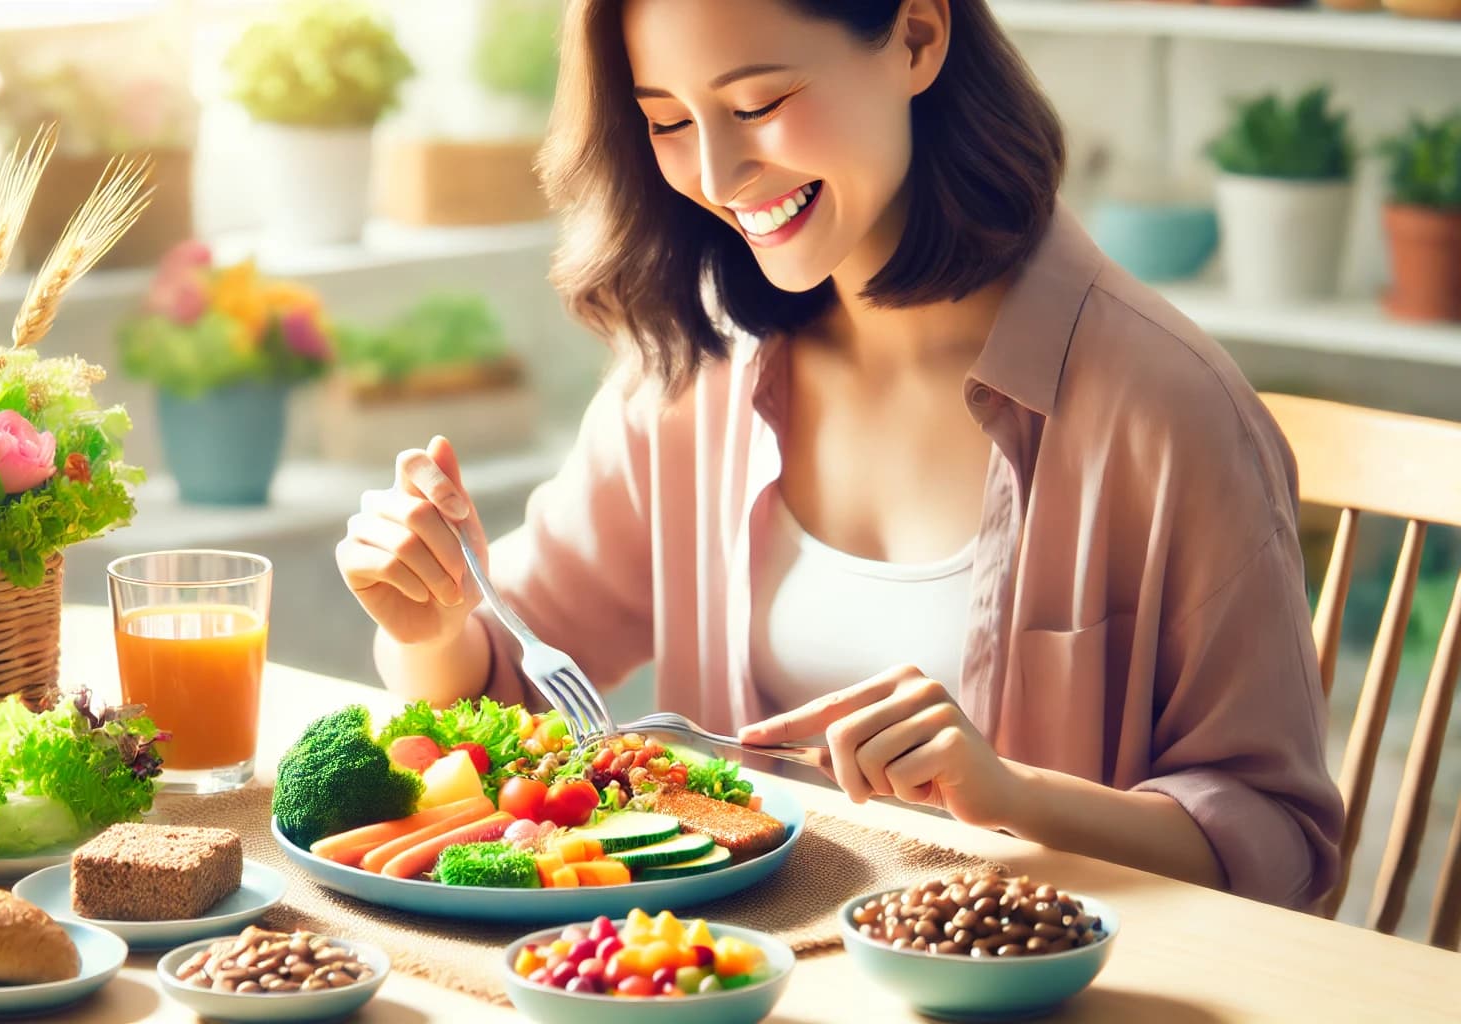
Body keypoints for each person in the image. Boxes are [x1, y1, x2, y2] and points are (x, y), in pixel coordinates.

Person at [334, 0, 1342, 910]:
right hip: (733, 978)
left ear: (917, 36)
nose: (718, 176)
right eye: (669, 121)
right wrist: (432, 624)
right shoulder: (694, 368)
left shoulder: (1166, 408)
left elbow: (1280, 843)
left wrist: (1013, 795)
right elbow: (511, 683)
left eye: (759, 102)